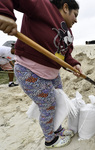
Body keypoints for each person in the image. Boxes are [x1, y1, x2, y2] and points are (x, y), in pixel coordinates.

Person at [0, 0, 82, 148]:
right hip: (30, 70)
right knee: (48, 105)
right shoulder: (43, 6)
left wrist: (74, 64)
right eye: (75, 14)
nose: (76, 19)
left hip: (52, 73)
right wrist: (4, 12)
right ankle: (50, 139)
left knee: (58, 100)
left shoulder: (68, 33)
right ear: (65, 7)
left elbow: (65, 55)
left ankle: (56, 129)